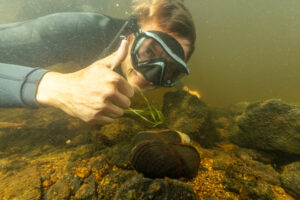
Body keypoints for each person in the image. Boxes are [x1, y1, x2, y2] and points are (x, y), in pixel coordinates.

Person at [0, 0, 196, 124]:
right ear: (129, 38)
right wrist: (55, 87)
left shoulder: (167, 78)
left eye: (170, 68)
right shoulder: (80, 31)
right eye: (149, 51)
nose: (152, 75)